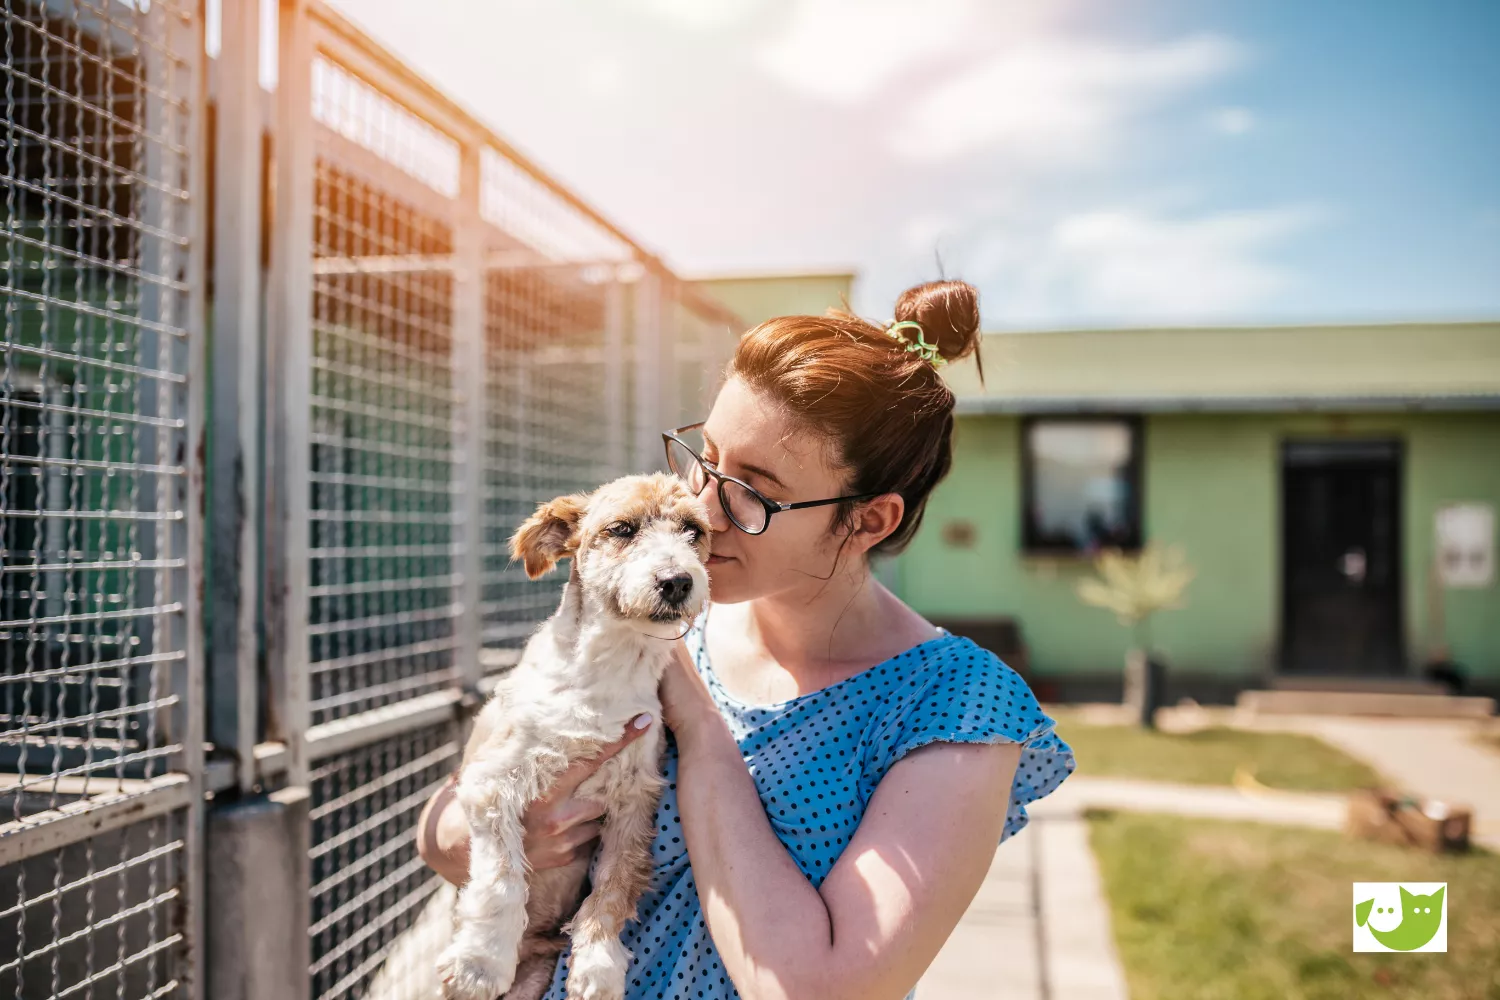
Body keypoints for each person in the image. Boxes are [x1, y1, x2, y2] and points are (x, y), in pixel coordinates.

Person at [418, 279, 1076, 1000]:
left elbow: (816, 988)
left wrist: (699, 729)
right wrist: (501, 838)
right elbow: (448, 822)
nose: (700, 507)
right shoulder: (657, 624)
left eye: (753, 490)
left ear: (869, 522)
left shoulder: (953, 709)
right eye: (705, 457)